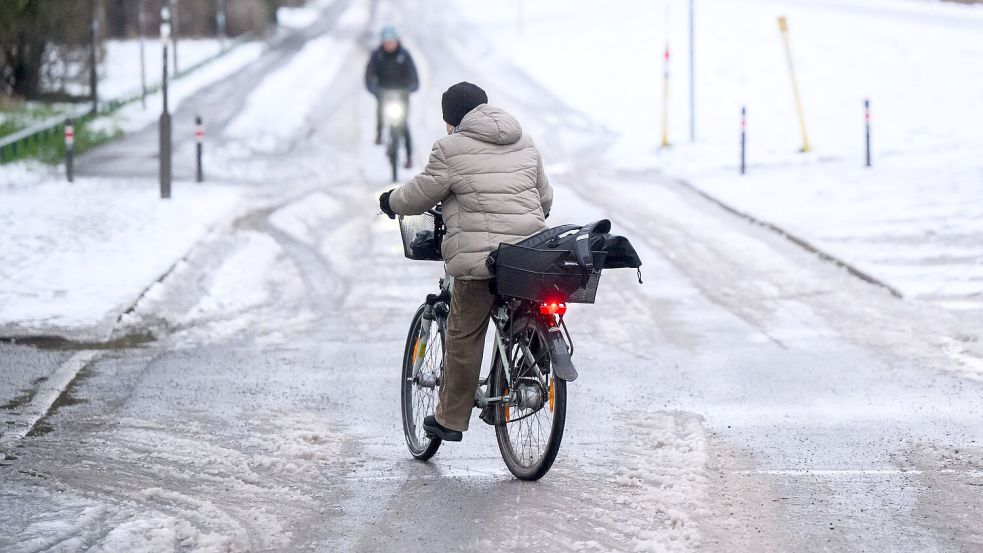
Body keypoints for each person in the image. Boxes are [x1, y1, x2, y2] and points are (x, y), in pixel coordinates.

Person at [379, 82, 553, 441]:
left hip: (482, 263)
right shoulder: (524, 141)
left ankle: (450, 419)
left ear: (451, 120)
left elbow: (419, 194)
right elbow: (545, 198)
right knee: (523, 305)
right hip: (528, 257)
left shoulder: (449, 148)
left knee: (464, 333)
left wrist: (390, 201)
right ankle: (530, 359)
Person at [365, 26, 419, 168]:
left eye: (392, 41)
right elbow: (369, 76)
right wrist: (374, 90)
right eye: (387, 42)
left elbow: (414, 76)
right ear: (382, 42)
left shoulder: (405, 55)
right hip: (384, 93)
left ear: (396, 41)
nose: (389, 45)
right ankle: (379, 134)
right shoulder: (377, 56)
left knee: (404, 125)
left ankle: (408, 157)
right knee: (380, 115)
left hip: (402, 95)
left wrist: (411, 87)